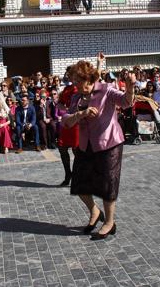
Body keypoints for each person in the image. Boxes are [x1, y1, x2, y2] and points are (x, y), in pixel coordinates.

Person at [63, 58, 135, 240]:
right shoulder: (76, 97)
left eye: (78, 81)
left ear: (88, 78)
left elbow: (126, 102)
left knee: (107, 184)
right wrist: (81, 114)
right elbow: (67, 121)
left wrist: (130, 87)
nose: (75, 84)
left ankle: (110, 222)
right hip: (86, 144)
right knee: (79, 184)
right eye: (73, 81)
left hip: (109, 142)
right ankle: (95, 211)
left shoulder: (106, 89)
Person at [56, 67, 79, 186]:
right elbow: (60, 102)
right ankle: (68, 174)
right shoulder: (66, 89)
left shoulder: (79, 88)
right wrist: (62, 107)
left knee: (76, 150)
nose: (67, 76)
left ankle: (77, 175)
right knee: (62, 147)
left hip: (77, 121)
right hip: (67, 121)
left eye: (69, 74)